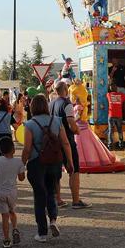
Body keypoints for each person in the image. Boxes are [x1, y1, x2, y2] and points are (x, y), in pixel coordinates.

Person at [22, 94, 74, 242]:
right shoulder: (57, 121)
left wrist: (21, 165)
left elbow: (27, 148)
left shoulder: (30, 124)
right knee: (51, 192)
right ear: (46, 105)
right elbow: (65, 143)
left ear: (32, 107)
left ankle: (42, 233)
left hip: (36, 163)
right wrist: (69, 161)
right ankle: (53, 220)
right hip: (55, 162)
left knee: (39, 197)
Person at [50, 81, 90, 209]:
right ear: (66, 90)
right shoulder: (66, 104)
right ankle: (76, 200)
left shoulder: (51, 104)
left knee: (56, 171)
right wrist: (76, 130)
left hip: (54, 142)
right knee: (74, 170)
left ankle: (58, 199)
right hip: (67, 140)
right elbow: (70, 120)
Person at [0, 137, 25, 248]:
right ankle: (15, 228)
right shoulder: (18, 162)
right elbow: (21, 178)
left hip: (0, 193)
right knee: (12, 212)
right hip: (12, 193)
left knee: (4, 217)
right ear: (13, 149)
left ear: (1, 150)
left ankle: (6, 240)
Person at [106, 84, 125, 149]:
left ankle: (110, 146)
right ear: (116, 88)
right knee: (120, 131)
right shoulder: (121, 95)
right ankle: (121, 145)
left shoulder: (108, 95)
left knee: (110, 131)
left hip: (111, 116)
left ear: (110, 89)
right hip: (119, 116)